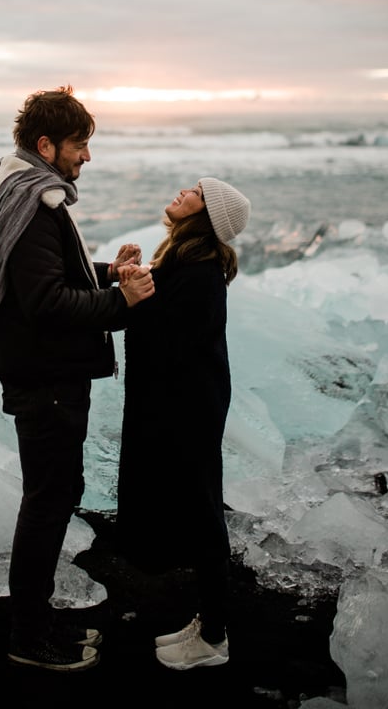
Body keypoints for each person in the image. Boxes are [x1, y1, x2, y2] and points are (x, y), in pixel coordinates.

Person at [0, 85, 154, 672]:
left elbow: (47, 277)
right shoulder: (32, 204)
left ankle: (34, 621)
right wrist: (122, 301)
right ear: (46, 144)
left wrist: (104, 271)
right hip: (45, 381)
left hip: (39, 372)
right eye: (80, 145)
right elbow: (47, 303)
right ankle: (29, 636)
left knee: (52, 497)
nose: (86, 157)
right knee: (48, 504)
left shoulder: (18, 190)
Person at [115, 177, 251, 671]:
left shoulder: (201, 272)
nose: (181, 192)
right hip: (184, 402)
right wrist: (131, 278)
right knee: (197, 512)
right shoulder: (184, 261)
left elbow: (174, 344)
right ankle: (208, 624)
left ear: (206, 214)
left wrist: (136, 300)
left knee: (205, 517)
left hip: (190, 407)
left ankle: (214, 637)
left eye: (194, 191)